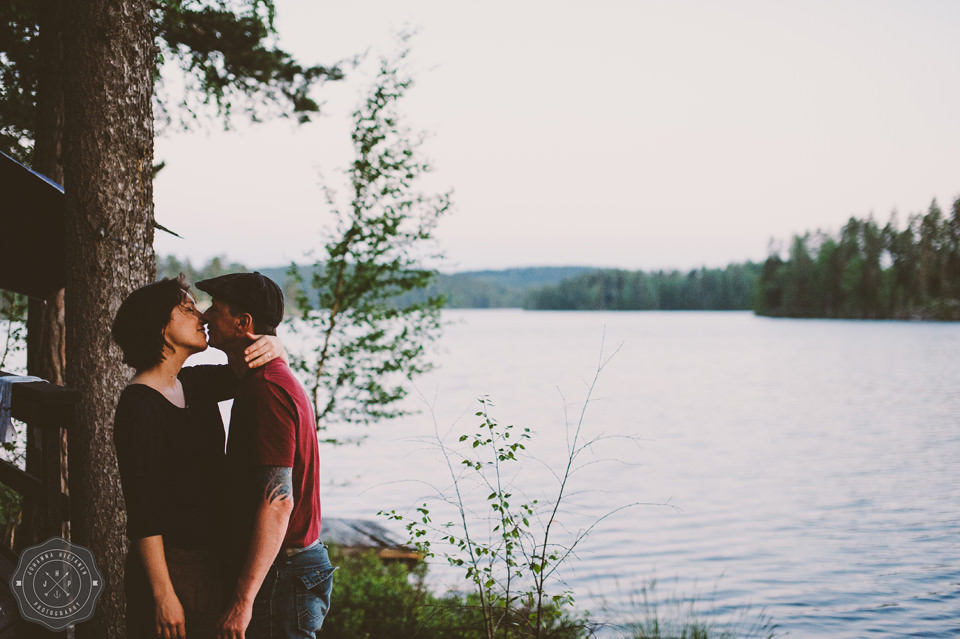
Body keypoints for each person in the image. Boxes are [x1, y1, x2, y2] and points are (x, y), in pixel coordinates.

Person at [111, 276, 284, 639]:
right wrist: (163, 595)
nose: (202, 317)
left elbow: (252, 368)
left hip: (212, 564)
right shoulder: (139, 405)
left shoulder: (192, 384)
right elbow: (144, 512)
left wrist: (275, 345)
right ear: (161, 327)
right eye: (188, 309)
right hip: (171, 570)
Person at [195, 272, 332, 639]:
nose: (205, 316)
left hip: (283, 572)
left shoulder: (268, 388)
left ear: (243, 323)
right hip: (285, 568)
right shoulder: (261, 378)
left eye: (216, 309)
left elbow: (278, 503)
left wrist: (242, 601)